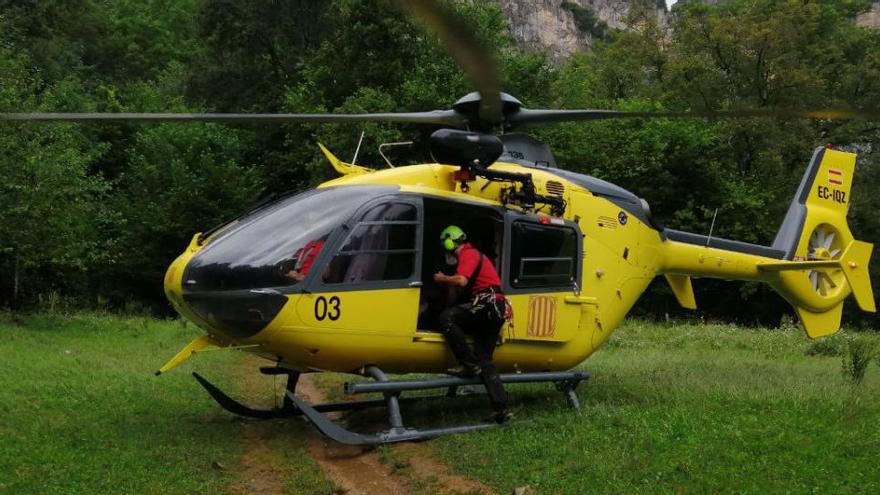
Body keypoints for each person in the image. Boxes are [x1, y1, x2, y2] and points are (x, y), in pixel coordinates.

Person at [432, 225, 512, 423]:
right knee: (485, 359)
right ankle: (502, 408)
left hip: (487, 304)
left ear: (450, 242)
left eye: (445, 244)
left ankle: (468, 364)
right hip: (496, 308)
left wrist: (442, 278)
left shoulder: (468, 254)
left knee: (447, 318)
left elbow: (461, 281)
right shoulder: (475, 255)